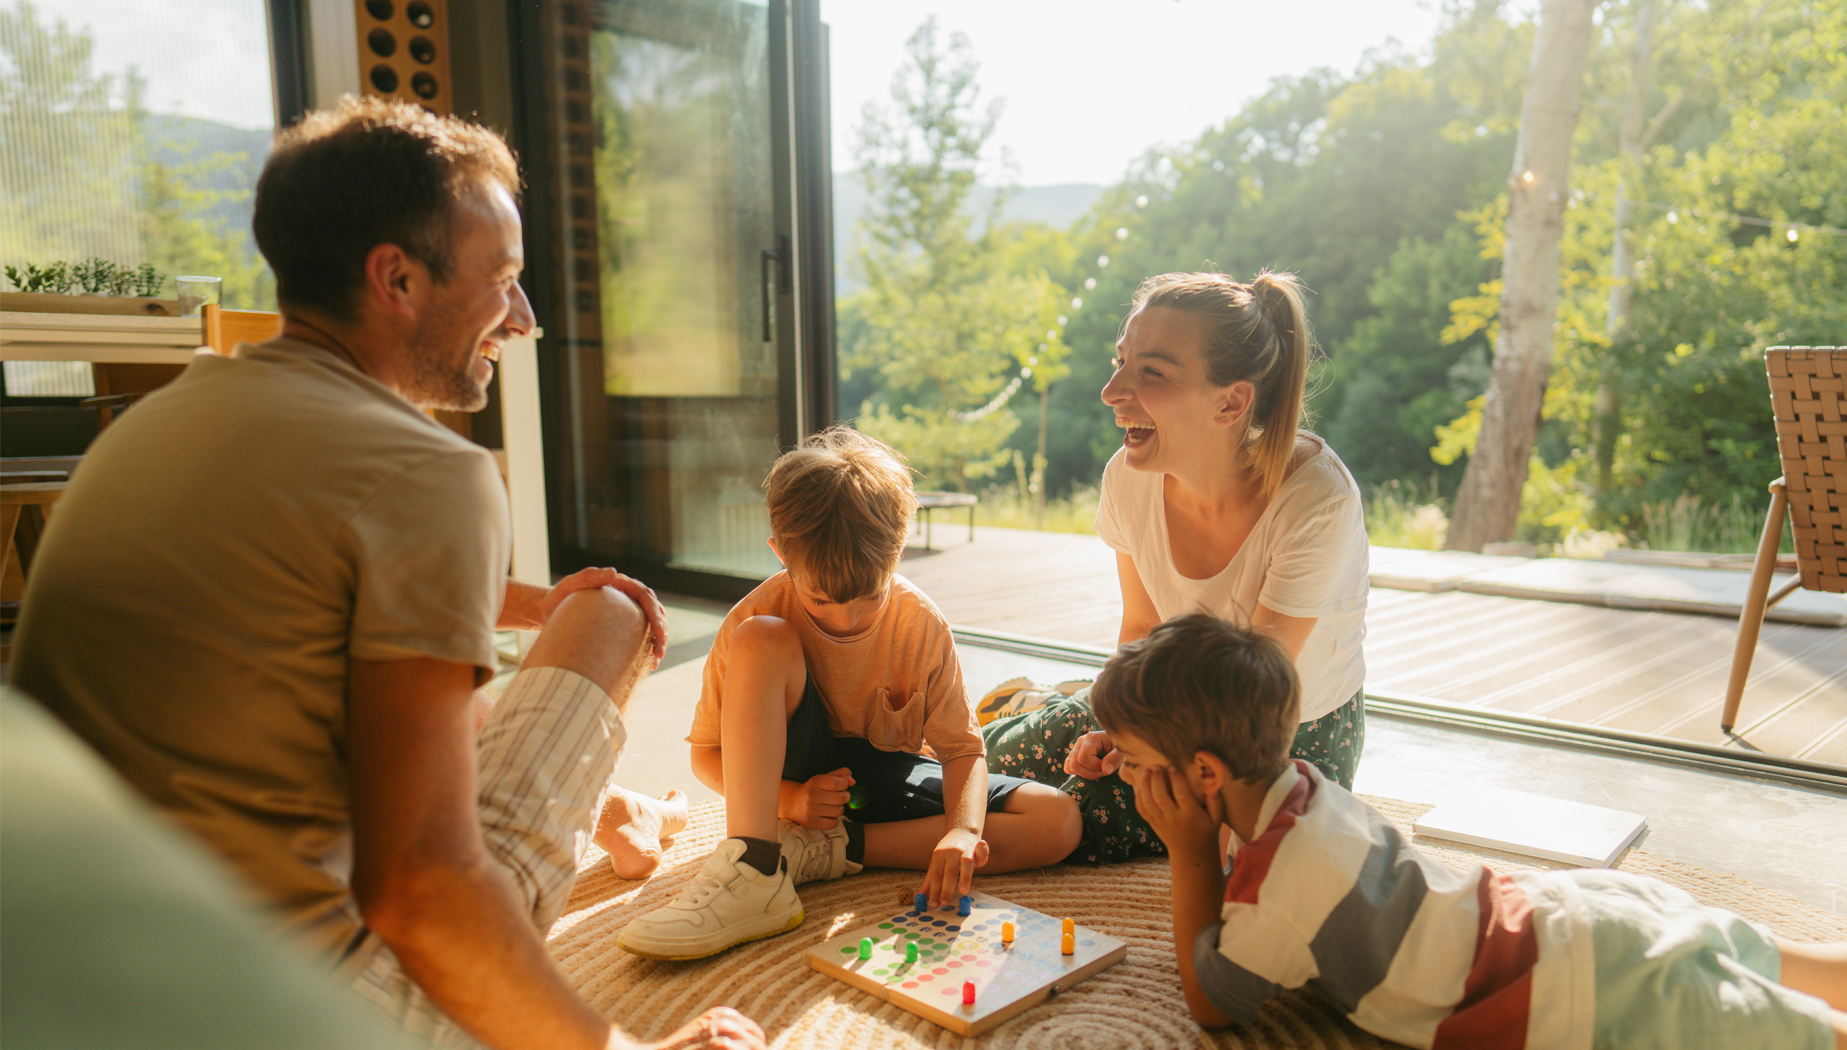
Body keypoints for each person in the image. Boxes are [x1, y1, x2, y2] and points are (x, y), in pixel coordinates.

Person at [11, 98, 761, 1050]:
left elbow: (311, 566)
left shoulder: (161, 420)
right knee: (610, 611)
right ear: (397, 278)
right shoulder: (428, 473)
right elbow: (422, 892)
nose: (523, 319)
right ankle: (618, 818)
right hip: (296, 1001)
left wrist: (530, 603)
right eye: (505, 280)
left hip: (77, 961)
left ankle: (620, 815)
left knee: (441, 681)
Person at [1094, 614, 1847, 1050]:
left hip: (1580, 988)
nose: (1127, 774)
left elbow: (1212, 1004)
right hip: (1591, 915)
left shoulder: (1278, 889)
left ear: (1205, 775)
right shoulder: (1305, 789)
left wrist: (1189, 851)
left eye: (1133, 760)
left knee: (1833, 1038)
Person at [612, 427, 1083, 960]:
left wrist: (960, 831)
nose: (847, 618)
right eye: (820, 600)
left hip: (881, 779)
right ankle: (756, 866)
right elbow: (706, 756)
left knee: (1058, 820)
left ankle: (831, 853)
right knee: (762, 639)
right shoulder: (753, 619)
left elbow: (960, 749)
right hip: (788, 783)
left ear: (898, 549)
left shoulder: (921, 623)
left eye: (869, 597)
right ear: (780, 555)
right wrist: (791, 799)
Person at [984, 270, 1369, 864]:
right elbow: (1139, 629)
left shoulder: (1317, 499)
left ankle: (1044, 704)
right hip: (1169, 700)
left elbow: (1253, 695)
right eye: (1120, 362)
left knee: (1071, 813)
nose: (1113, 390)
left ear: (1232, 401)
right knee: (986, 758)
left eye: (1151, 373)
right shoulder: (1128, 475)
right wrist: (1116, 724)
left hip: (1274, 734)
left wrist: (1140, 746)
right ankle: (1041, 707)